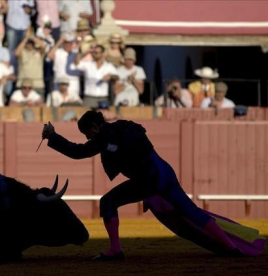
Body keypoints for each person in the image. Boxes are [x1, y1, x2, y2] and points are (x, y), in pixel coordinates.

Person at [41, 111, 242, 260]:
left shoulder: (103, 138)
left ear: (94, 127)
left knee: (108, 202)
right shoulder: (126, 125)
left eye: (87, 133)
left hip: (147, 179)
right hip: (164, 171)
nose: (87, 137)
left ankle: (115, 250)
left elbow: (78, 152)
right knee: (190, 211)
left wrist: (52, 136)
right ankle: (232, 248)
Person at [15, 28, 45, 98]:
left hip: (37, 85)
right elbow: (16, 53)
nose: (30, 44)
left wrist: (32, 36)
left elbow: (43, 46)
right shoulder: (22, 52)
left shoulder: (39, 52)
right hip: (23, 85)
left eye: (31, 43)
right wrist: (26, 38)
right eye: (28, 43)